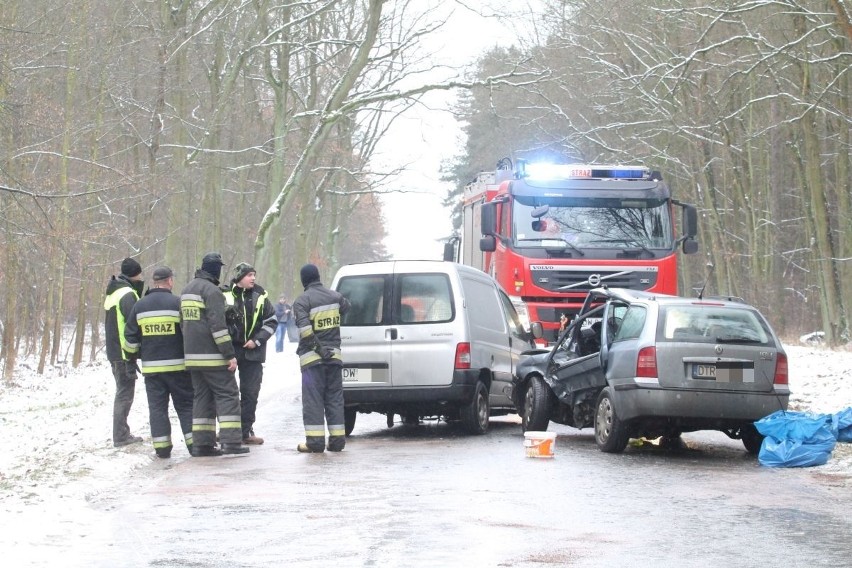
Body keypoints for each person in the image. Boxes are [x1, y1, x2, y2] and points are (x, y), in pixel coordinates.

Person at [179, 252, 249, 457]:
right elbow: (218, 327)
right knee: (227, 394)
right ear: (215, 269)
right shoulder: (212, 292)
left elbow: (183, 323)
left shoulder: (186, 290)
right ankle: (231, 441)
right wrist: (229, 354)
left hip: (192, 356)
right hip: (213, 356)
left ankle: (202, 444)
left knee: (202, 398)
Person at [124, 266, 194, 459]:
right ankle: (193, 444)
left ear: (154, 282)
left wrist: (133, 357)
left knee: (157, 409)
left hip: (152, 369)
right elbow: (189, 333)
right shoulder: (177, 303)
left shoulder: (140, 306)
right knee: (186, 406)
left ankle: (162, 448)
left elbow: (129, 338)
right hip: (179, 367)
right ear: (170, 281)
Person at [293, 263, 351, 453]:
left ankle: (315, 443)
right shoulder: (335, 297)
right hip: (334, 359)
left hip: (312, 362)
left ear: (304, 280)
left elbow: (306, 332)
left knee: (313, 400)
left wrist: (319, 349)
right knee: (334, 399)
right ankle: (337, 442)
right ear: (318, 277)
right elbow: (347, 307)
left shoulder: (302, 301)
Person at [223, 263, 277, 445]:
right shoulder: (224, 295)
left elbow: (272, 322)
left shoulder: (261, 296)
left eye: (254, 275)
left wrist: (257, 340)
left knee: (250, 393)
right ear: (239, 277)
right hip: (229, 351)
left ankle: (246, 431)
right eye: (249, 275)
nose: (253, 278)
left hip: (253, 352)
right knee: (228, 394)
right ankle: (228, 431)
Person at [103, 257, 145, 448]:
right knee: (125, 394)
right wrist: (133, 353)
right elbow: (133, 324)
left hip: (114, 351)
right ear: (135, 274)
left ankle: (121, 432)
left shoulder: (114, 292)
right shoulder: (128, 294)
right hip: (123, 352)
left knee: (123, 392)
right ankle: (121, 435)